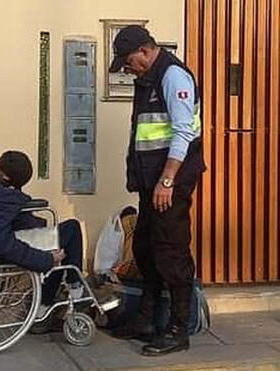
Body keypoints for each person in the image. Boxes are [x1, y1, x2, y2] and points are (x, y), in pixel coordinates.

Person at [108, 26, 205, 356]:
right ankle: (146, 320)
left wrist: (166, 181)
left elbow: (183, 133)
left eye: (128, 60)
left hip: (170, 183)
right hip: (152, 183)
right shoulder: (149, 77)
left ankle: (179, 329)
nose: (126, 67)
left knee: (171, 252)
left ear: (145, 51)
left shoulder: (173, 76)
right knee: (146, 249)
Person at [0, 151, 84, 329]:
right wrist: (46, 260)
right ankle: (70, 292)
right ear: (5, 177)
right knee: (71, 230)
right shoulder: (2, 197)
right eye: (15, 186)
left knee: (57, 234)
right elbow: (1, 241)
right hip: (4, 238)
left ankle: (61, 294)